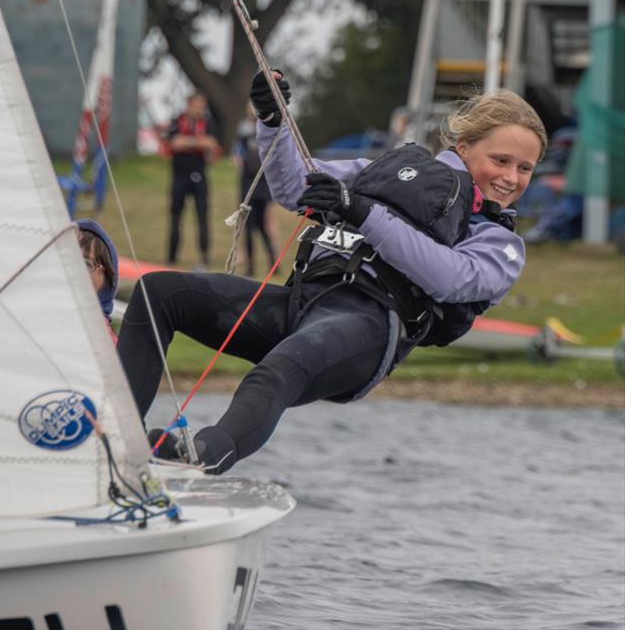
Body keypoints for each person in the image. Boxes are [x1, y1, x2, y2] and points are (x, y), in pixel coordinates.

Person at [117, 71, 546, 474]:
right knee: (160, 292)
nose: (511, 178)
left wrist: (360, 211)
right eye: (501, 160)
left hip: (368, 330)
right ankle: (118, 443)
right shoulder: (386, 173)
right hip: (302, 305)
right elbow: (291, 186)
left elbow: (449, 278)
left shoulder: (502, 245)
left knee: (276, 369)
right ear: (464, 146)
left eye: (524, 168)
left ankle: (203, 456)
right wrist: (272, 120)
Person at [165, 91, 221, 269]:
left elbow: (212, 144)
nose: (201, 109)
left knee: (202, 216)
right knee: (175, 216)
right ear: (189, 104)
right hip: (179, 176)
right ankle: (171, 256)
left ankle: (204, 256)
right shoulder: (177, 121)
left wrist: (187, 143)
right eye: (198, 105)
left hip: (199, 175)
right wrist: (198, 143)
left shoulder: (208, 123)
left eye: (203, 106)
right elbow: (174, 143)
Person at [232, 104, 278, 275]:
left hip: (263, 184)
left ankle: (273, 263)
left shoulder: (268, 135)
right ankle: (251, 266)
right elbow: (237, 156)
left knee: (264, 225)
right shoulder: (244, 136)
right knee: (249, 226)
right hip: (248, 184)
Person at [77, 218, 119, 343]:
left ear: (106, 278)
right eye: (69, 260)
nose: (75, 271)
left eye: (86, 264)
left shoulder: (106, 345)